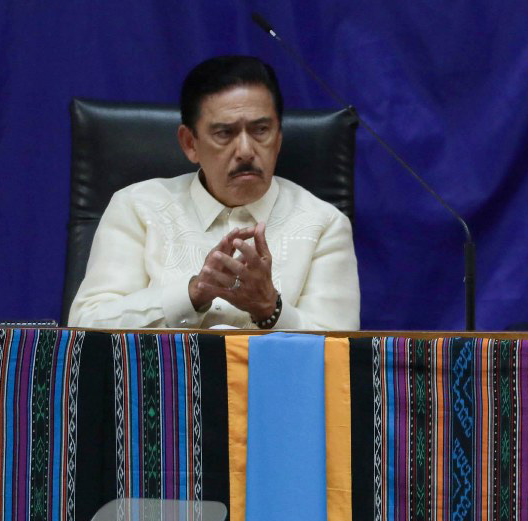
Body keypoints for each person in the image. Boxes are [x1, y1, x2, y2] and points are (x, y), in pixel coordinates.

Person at [68, 56, 359, 330]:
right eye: (224, 133)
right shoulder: (136, 206)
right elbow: (86, 325)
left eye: (260, 130)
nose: (245, 151)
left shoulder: (324, 224)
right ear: (190, 143)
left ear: (279, 137)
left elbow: (340, 353)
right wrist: (192, 294)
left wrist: (270, 308)